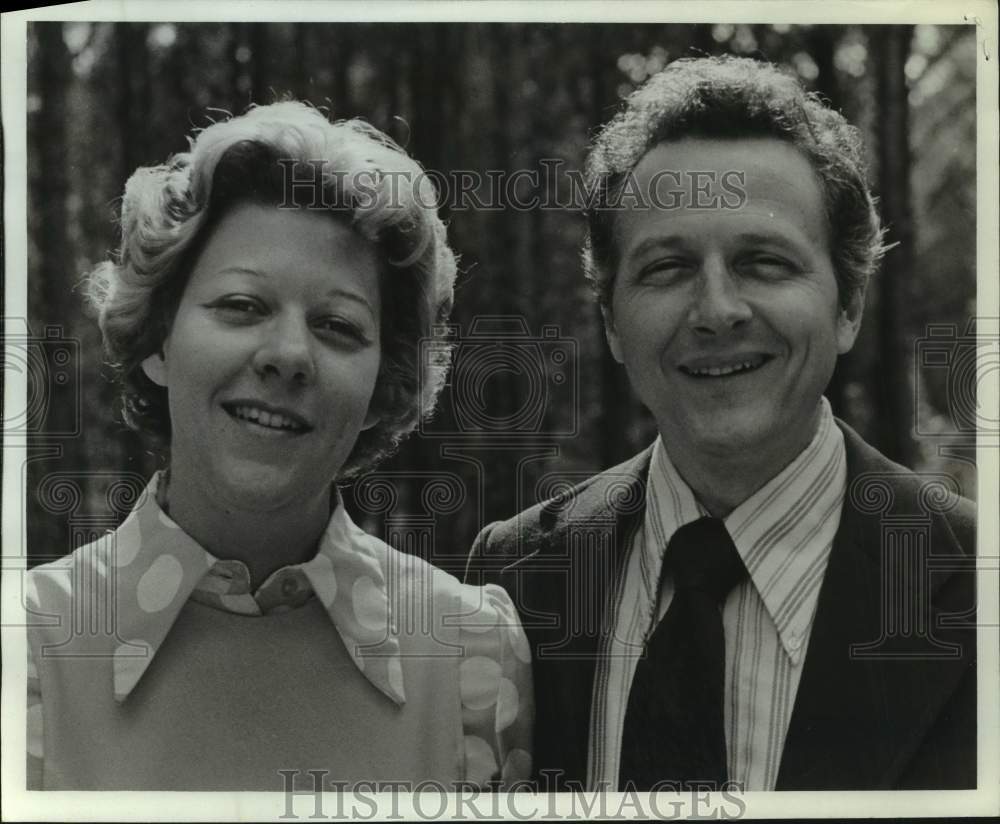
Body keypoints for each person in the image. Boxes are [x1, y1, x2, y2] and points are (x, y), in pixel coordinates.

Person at [467, 56, 975, 792]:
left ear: (849, 306)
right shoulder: (517, 579)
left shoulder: (972, 586)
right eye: (667, 268)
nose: (716, 312)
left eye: (764, 262)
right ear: (612, 321)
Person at [26, 101, 532, 790]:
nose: (290, 355)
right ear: (158, 341)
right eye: (242, 306)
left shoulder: (474, 653)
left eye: (337, 325)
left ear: (384, 383)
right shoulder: (25, 645)